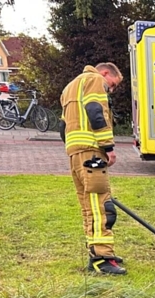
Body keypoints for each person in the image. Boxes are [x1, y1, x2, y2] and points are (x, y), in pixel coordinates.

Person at [61, 62, 125, 275]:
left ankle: (96, 251)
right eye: (112, 85)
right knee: (102, 207)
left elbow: (63, 127)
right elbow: (96, 111)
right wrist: (108, 148)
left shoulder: (70, 87)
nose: (111, 90)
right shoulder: (95, 80)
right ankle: (102, 258)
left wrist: (74, 149)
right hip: (92, 153)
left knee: (88, 207)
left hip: (75, 154)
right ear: (105, 73)